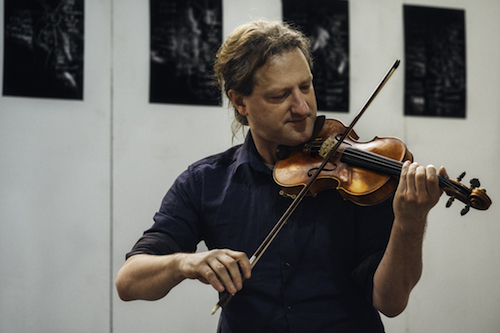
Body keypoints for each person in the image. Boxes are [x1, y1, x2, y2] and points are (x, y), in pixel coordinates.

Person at [116, 20, 446, 332]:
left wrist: (410, 222)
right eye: (280, 95)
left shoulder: (358, 177)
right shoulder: (204, 182)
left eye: (306, 87)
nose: (302, 107)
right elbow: (129, 281)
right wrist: (184, 264)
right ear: (240, 102)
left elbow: (389, 301)